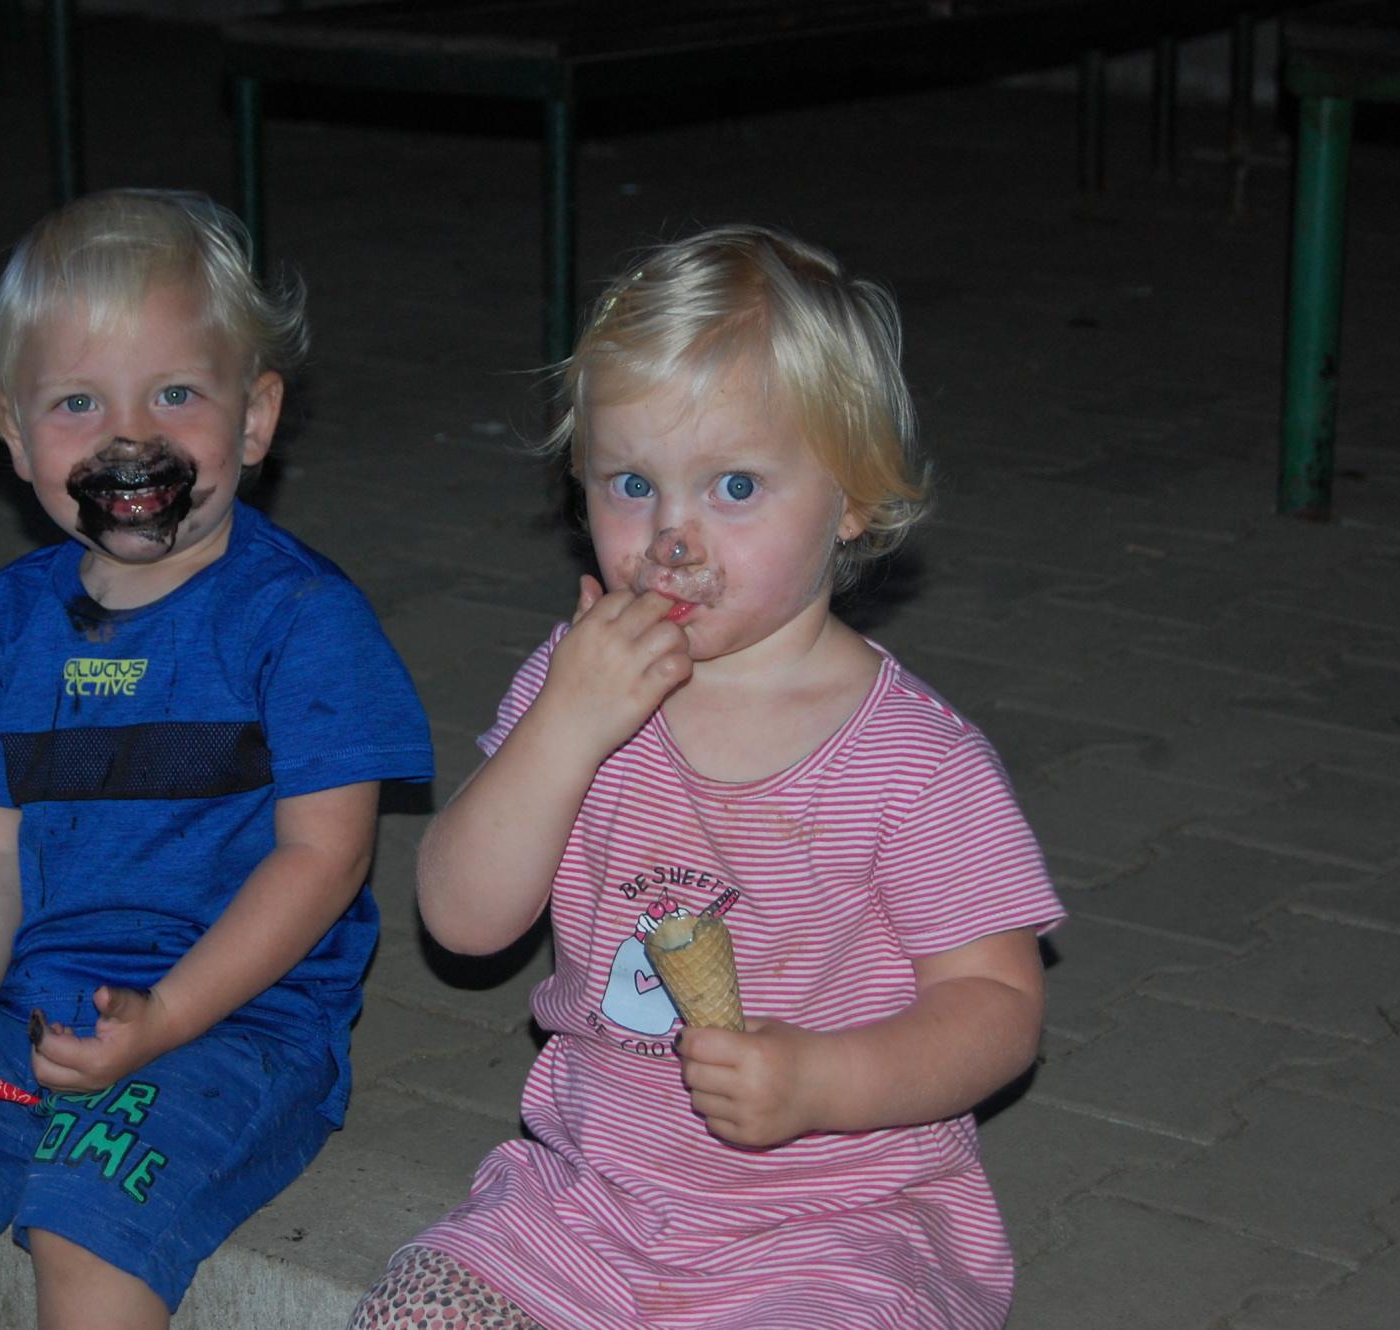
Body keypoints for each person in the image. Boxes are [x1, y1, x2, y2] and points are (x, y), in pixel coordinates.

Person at [351, 225, 1064, 1330]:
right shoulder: (576, 682)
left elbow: (999, 1008)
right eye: (632, 483)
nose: (671, 537)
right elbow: (462, 920)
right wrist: (562, 730)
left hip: (836, 1227)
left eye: (734, 485)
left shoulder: (916, 763)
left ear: (852, 498)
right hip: (592, 1203)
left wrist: (820, 1081)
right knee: (417, 1309)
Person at [0, 188, 434, 1330]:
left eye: (175, 394)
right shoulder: (4, 623)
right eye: (78, 402)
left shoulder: (300, 619)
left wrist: (169, 1016)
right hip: (36, 1008)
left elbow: (325, 859)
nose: (129, 439)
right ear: (14, 432)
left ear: (254, 417)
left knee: (84, 1221)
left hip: (236, 1026)